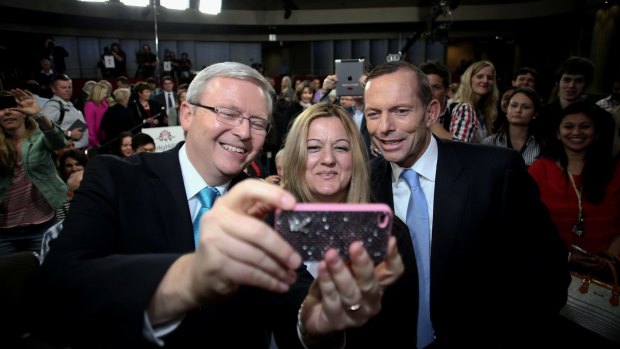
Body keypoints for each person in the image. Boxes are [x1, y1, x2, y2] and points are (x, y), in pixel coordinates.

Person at [26, 62, 403, 348]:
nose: (243, 132)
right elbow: (56, 294)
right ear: (187, 115)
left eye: (257, 122)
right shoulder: (116, 179)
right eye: (228, 113)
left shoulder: (266, 204)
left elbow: (293, 298)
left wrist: (313, 322)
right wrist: (189, 279)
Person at [363, 60, 569, 347]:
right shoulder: (365, 184)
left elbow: (547, 272)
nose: (385, 127)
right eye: (374, 113)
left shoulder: (494, 172)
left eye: (401, 111)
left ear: (430, 112)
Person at [280, 102, 413, 347]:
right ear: (295, 156)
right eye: (313, 148)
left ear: (356, 159)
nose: (328, 159)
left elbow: (399, 333)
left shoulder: (390, 234)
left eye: (341, 148)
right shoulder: (269, 229)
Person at [528, 101, 619, 348]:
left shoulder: (615, 171)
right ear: (557, 133)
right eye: (568, 126)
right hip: (550, 273)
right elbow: (528, 227)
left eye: (584, 127)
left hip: (605, 276)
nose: (576, 132)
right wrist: (566, 257)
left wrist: (611, 259)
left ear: (597, 132)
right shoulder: (540, 169)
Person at [0, 89, 66, 256]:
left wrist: (39, 115)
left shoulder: (39, 137)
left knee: (46, 277)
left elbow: (58, 142)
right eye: (1, 108)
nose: (7, 112)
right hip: (4, 233)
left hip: (42, 226)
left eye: (13, 107)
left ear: (24, 114)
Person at [481, 87, 543, 166]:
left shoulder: (542, 146)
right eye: (514, 105)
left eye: (526, 107)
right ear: (507, 109)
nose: (518, 110)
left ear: (535, 113)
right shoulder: (488, 143)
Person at [42, 74, 89, 149]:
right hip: (66, 153)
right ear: (54, 89)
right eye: (63, 87)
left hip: (77, 152)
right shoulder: (52, 106)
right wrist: (69, 133)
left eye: (70, 87)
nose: (68, 90)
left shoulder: (69, 104)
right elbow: (43, 129)